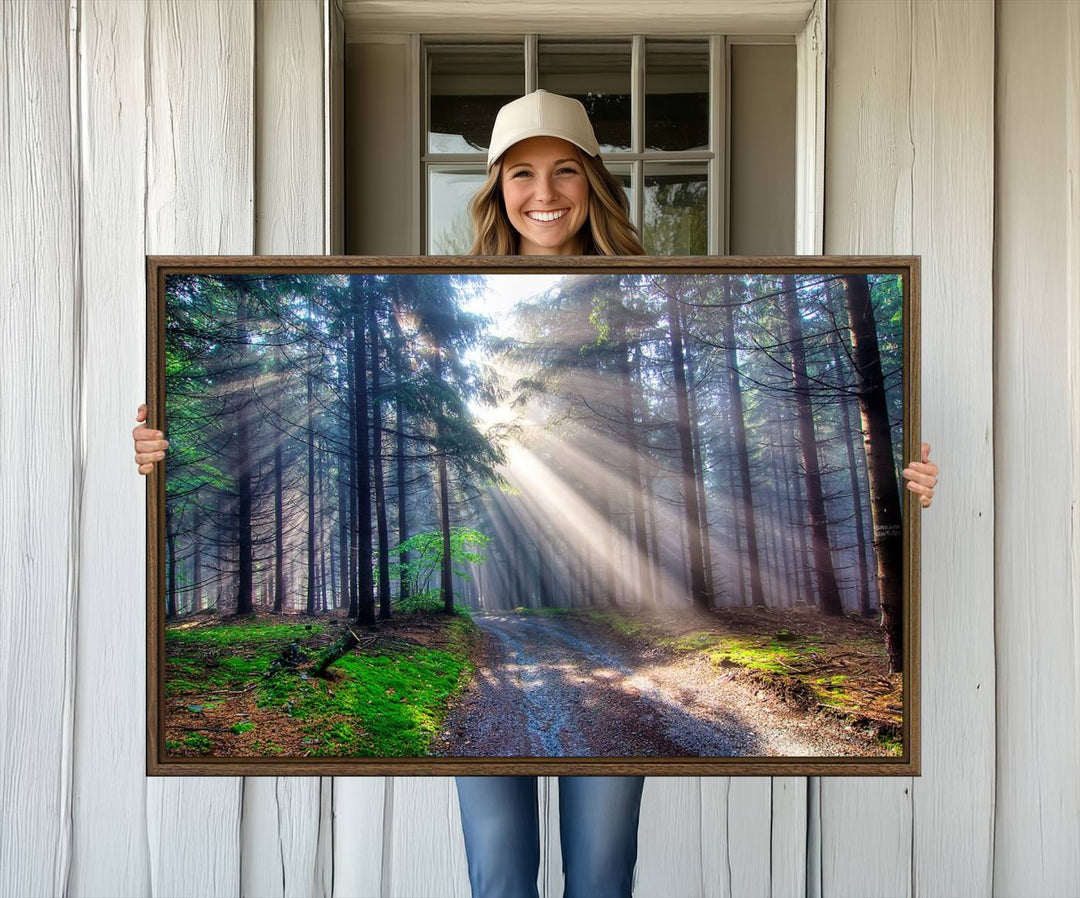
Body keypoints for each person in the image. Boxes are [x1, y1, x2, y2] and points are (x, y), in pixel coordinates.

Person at [132, 89, 939, 898]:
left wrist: (899, 475)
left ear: (593, 181)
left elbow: (733, 440)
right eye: (521, 173)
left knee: (601, 874)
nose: (544, 193)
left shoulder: (649, 291)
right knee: (500, 875)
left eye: (564, 171)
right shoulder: (441, 306)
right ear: (495, 189)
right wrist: (161, 444)